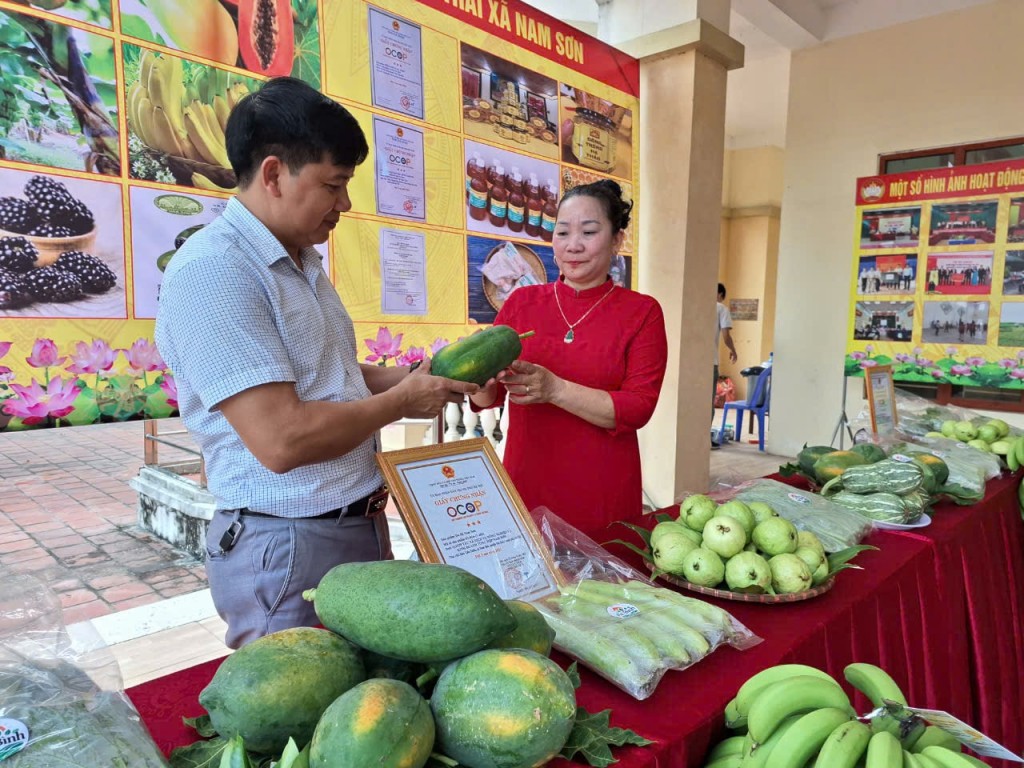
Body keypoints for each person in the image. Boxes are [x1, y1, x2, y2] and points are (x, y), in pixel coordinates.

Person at [154, 78, 477, 649]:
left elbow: (336, 377)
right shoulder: (216, 272)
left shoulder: (300, 261)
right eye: (334, 185)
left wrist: (423, 379)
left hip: (354, 523)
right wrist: (403, 403)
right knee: (297, 720)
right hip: (288, 545)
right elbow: (283, 439)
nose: (345, 205)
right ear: (275, 174)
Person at [469, 180, 667, 541]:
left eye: (589, 232)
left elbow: (638, 407)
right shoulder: (521, 303)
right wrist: (477, 377)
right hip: (528, 483)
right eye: (562, 232)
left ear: (617, 241)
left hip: (602, 490)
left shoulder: (642, 312)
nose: (573, 245)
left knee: (601, 588)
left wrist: (555, 389)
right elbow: (488, 398)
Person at [713, 283, 738, 447]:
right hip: (709, 361)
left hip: (690, 363)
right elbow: (725, 335)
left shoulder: (695, 303)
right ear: (721, 294)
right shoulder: (721, 308)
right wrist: (733, 350)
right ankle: (703, 441)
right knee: (707, 404)